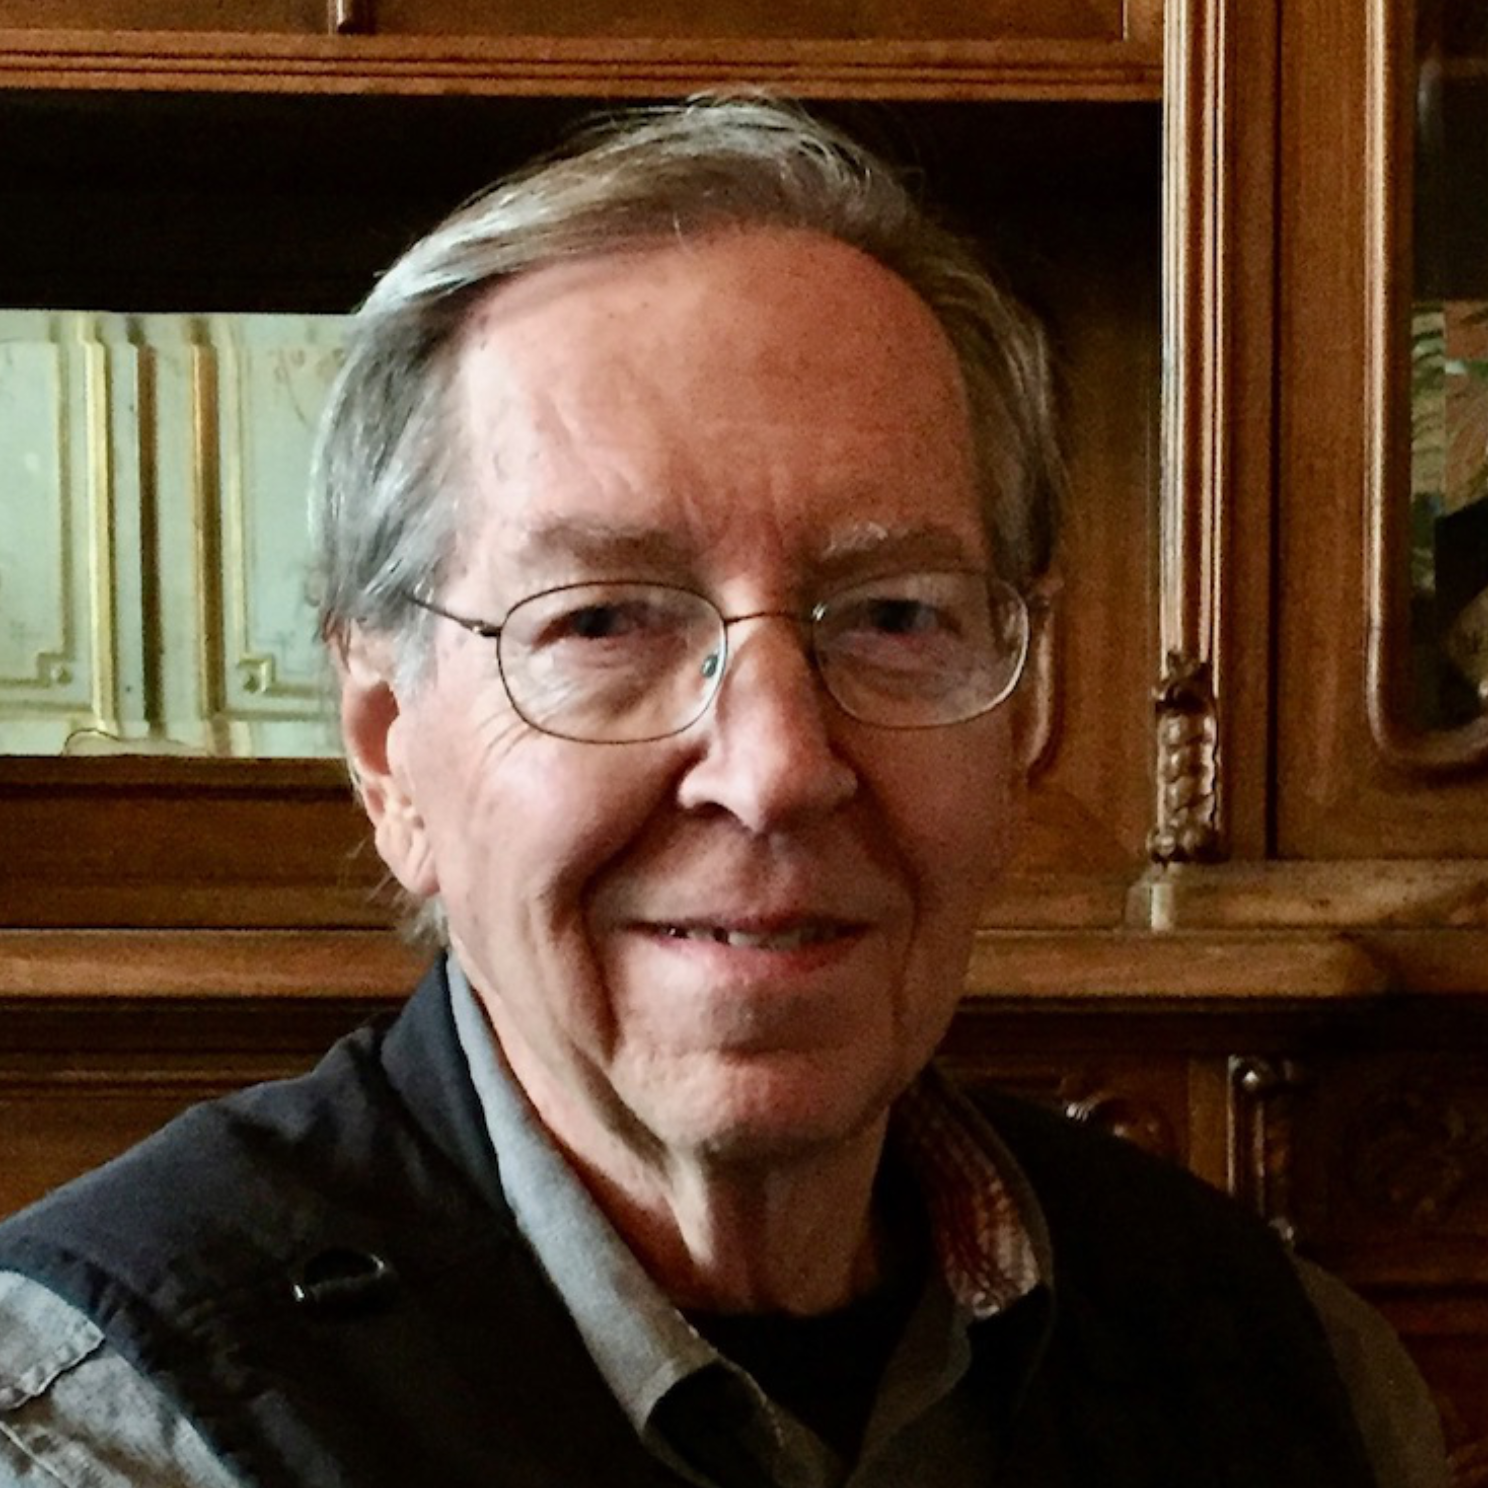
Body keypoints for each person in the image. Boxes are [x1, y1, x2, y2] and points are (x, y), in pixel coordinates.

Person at [0, 98, 1448, 1488]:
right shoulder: (106, 1434)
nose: (775, 768)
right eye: (601, 623)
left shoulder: (1297, 1373)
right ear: (389, 750)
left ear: (1026, 720)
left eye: (894, 616)